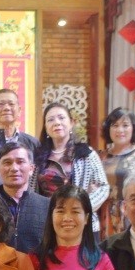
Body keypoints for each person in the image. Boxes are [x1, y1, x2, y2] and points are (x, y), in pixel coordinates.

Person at [33, 102, 109, 240]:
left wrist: (82, 207)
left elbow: (103, 186)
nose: (57, 123)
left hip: (83, 223)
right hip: (48, 223)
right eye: (50, 119)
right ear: (45, 127)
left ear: (71, 123)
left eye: (61, 118)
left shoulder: (86, 153)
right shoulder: (38, 156)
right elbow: (32, 191)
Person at [100, 108, 135, 239]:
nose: (120, 130)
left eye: (125, 125)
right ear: (108, 129)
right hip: (106, 216)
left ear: (133, 128)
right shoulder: (100, 157)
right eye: (115, 125)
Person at [0, 142, 49, 254]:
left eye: (20, 162)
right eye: (7, 162)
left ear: (31, 169)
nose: (14, 168)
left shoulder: (47, 206)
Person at [0, 88, 38, 167]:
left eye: (11, 104)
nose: (6, 108)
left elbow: (36, 174)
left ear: (19, 110)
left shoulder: (32, 143)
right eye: (1, 104)